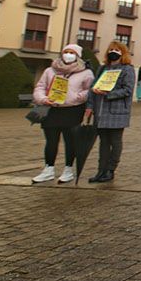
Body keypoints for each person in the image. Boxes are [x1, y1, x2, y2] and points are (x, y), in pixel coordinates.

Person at [30, 44, 95, 183]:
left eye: (72, 52)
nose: (68, 55)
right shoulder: (50, 70)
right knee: (51, 141)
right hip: (51, 109)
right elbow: (40, 87)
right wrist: (43, 99)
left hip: (72, 110)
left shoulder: (86, 73)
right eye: (66, 52)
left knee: (70, 141)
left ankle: (68, 169)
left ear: (78, 56)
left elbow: (89, 90)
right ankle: (48, 169)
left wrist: (77, 97)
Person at [85, 42, 135, 183]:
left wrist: (108, 93)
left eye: (117, 50)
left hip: (116, 112)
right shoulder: (103, 68)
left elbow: (127, 90)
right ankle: (101, 170)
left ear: (123, 53)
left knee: (115, 141)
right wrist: (90, 106)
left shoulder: (127, 69)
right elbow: (93, 88)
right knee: (103, 143)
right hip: (100, 111)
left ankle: (110, 170)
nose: (113, 52)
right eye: (111, 49)